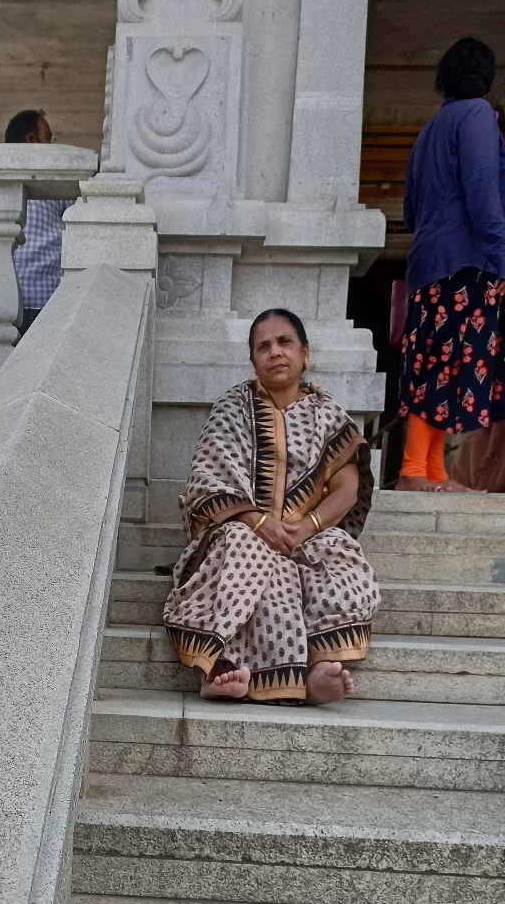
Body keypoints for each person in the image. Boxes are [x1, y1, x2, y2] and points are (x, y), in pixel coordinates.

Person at [163, 309, 380, 706]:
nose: (275, 352)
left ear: (305, 353)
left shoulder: (327, 414)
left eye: (285, 343)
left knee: (337, 553)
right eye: (263, 346)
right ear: (253, 360)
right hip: (240, 530)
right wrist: (257, 521)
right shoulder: (232, 407)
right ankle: (217, 669)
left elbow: (347, 488)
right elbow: (209, 479)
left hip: (304, 534)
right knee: (246, 552)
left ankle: (315, 671)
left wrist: (307, 527)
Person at [397, 37, 505, 491]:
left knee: (436, 362)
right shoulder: (479, 115)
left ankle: (432, 471)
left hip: (429, 264)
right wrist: (500, 255)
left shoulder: (429, 129)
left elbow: (408, 211)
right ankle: (413, 469)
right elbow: (484, 193)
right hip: (468, 263)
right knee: (448, 365)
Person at [0, 109, 71, 338]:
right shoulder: (55, 181)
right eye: (48, 138)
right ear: (30, 139)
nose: (50, 146)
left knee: (0, 371)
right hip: (48, 301)